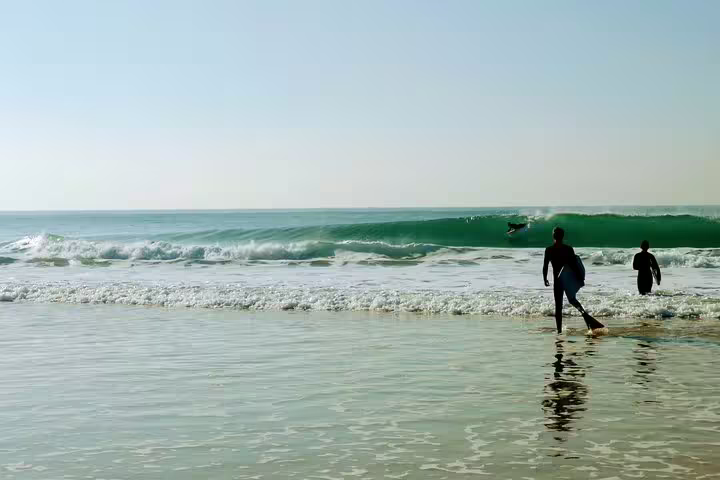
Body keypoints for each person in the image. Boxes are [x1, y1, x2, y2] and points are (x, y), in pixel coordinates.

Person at [543, 227, 602, 333]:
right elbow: (575, 265)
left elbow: (545, 266)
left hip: (558, 281)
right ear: (563, 236)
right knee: (573, 300)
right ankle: (586, 317)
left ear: (553, 235)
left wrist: (545, 278)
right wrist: (580, 277)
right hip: (568, 279)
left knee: (558, 306)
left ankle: (559, 330)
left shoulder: (549, 250)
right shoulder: (568, 249)